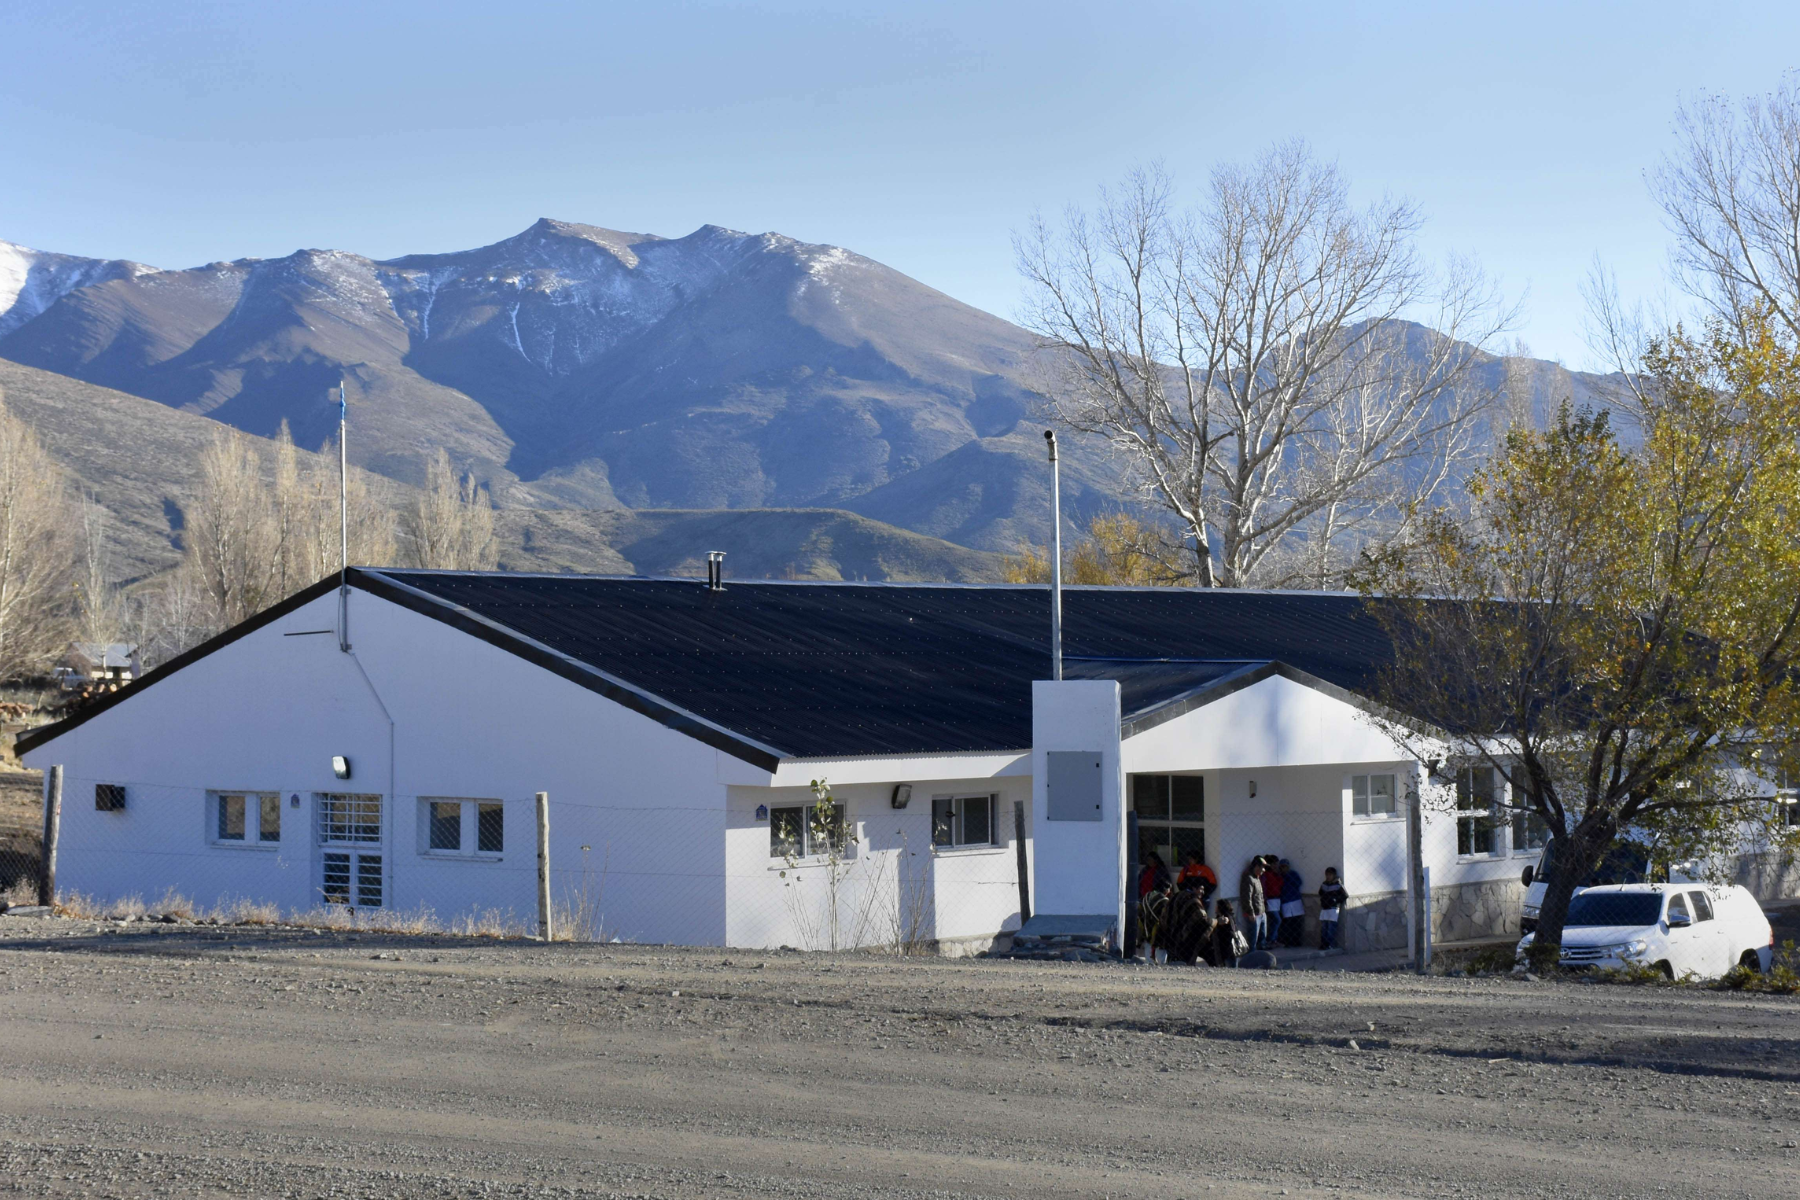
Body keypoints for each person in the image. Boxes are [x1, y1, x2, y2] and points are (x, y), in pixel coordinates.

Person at [1238, 858, 1266, 951]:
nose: (1264, 870)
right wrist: (1250, 912)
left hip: (1261, 912)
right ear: (1257, 866)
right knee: (1252, 941)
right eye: (1262, 867)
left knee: (1262, 938)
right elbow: (1246, 897)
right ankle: (1251, 961)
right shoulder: (1248, 878)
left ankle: (1261, 958)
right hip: (1254, 914)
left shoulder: (1257, 877)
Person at [1318, 867, 1348, 950]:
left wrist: (1335, 900)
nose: (1328, 876)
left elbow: (1345, 895)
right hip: (1324, 908)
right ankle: (1323, 944)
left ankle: (1330, 944)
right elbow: (1320, 892)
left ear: (1334, 875)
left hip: (1333, 908)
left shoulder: (1338, 885)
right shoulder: (1324, 884)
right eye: (1327, 875)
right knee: (1324, 927)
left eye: (1330, 875)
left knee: (1331, 927)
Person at [1260, 856, 1285, 948]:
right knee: (1277, 920)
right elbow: (1265, 888)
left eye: (1277, 864)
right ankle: (1270, 940)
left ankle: (1274, 939)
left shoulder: (1276, 875)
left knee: (1274, 921)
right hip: (1270, 899)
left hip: (1276, 900)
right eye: (1274, 864)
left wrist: (1278, 875)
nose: (1276, 866)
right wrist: (1265, 900)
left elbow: (1280, 884)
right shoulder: (1266, 875)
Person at [1210, 899, 1241, 967]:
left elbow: (1225, 924)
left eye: (1216, 906)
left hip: (1227, 950)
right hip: (1226, 950)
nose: (1215, 907)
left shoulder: (1226, 918)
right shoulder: (1225, 916)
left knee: (1230, 968)